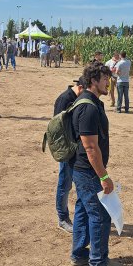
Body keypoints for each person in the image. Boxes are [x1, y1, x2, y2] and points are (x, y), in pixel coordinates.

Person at [70, 62, 119, 266]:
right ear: (93, 81)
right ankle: (98, 261)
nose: (109, 82)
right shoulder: (88, 108)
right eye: (105, 79)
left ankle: (79, 254)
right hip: (89, 172)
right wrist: (104, 177)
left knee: (82, 209)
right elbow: (90, 148)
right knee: (100, 216)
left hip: (83, 171)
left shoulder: (92, 102)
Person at [53, 76, 86, 234]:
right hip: (67, 150)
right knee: (65, 184)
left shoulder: (72, 97)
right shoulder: (65, 99)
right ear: (80, 88)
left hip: (74, 149)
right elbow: (60, 127)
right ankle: (63, 218)